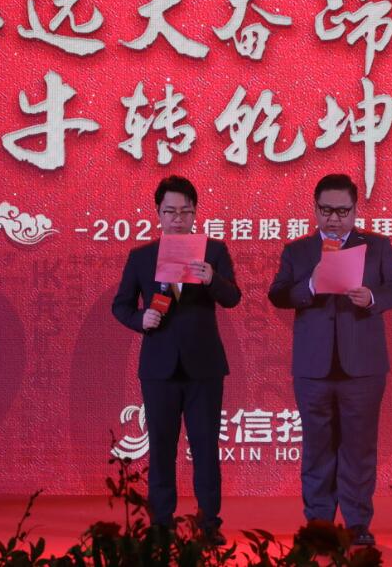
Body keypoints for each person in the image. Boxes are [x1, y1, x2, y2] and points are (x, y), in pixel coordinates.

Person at [267, 173, 392, 546]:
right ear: (315, 209)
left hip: (363, 367)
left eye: (342, 211)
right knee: (317, 448)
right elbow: (278, 294)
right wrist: (311, 285)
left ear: (355, 210)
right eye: (326, 210)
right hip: (313, 367)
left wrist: (372, 298)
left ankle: (357, 524)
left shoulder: (377, 246)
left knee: (359, 448)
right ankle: (319, 525)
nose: (334, 218)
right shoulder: (298, 251)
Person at [111, 175, 241, 544]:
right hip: (159, 367)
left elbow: (233, 298)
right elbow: (121, 305)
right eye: (170, 212)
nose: (178, 219)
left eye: (185, 212)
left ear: (195, 213)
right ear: (158, 213)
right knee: (162, 446)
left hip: (204, 367)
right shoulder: (141, 257)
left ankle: (209, 522)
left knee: (205, 446)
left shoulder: (213, 251)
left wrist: (212, 279)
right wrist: (141, 319)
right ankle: (161, 522)